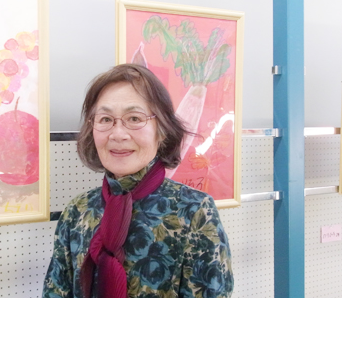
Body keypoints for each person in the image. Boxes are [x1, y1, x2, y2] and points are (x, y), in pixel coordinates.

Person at [42, 64, 233, 298]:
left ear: (162, 129)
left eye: (134, 118)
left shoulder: (194, 211)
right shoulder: (78, 211)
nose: (118, 134)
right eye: (105, 119)